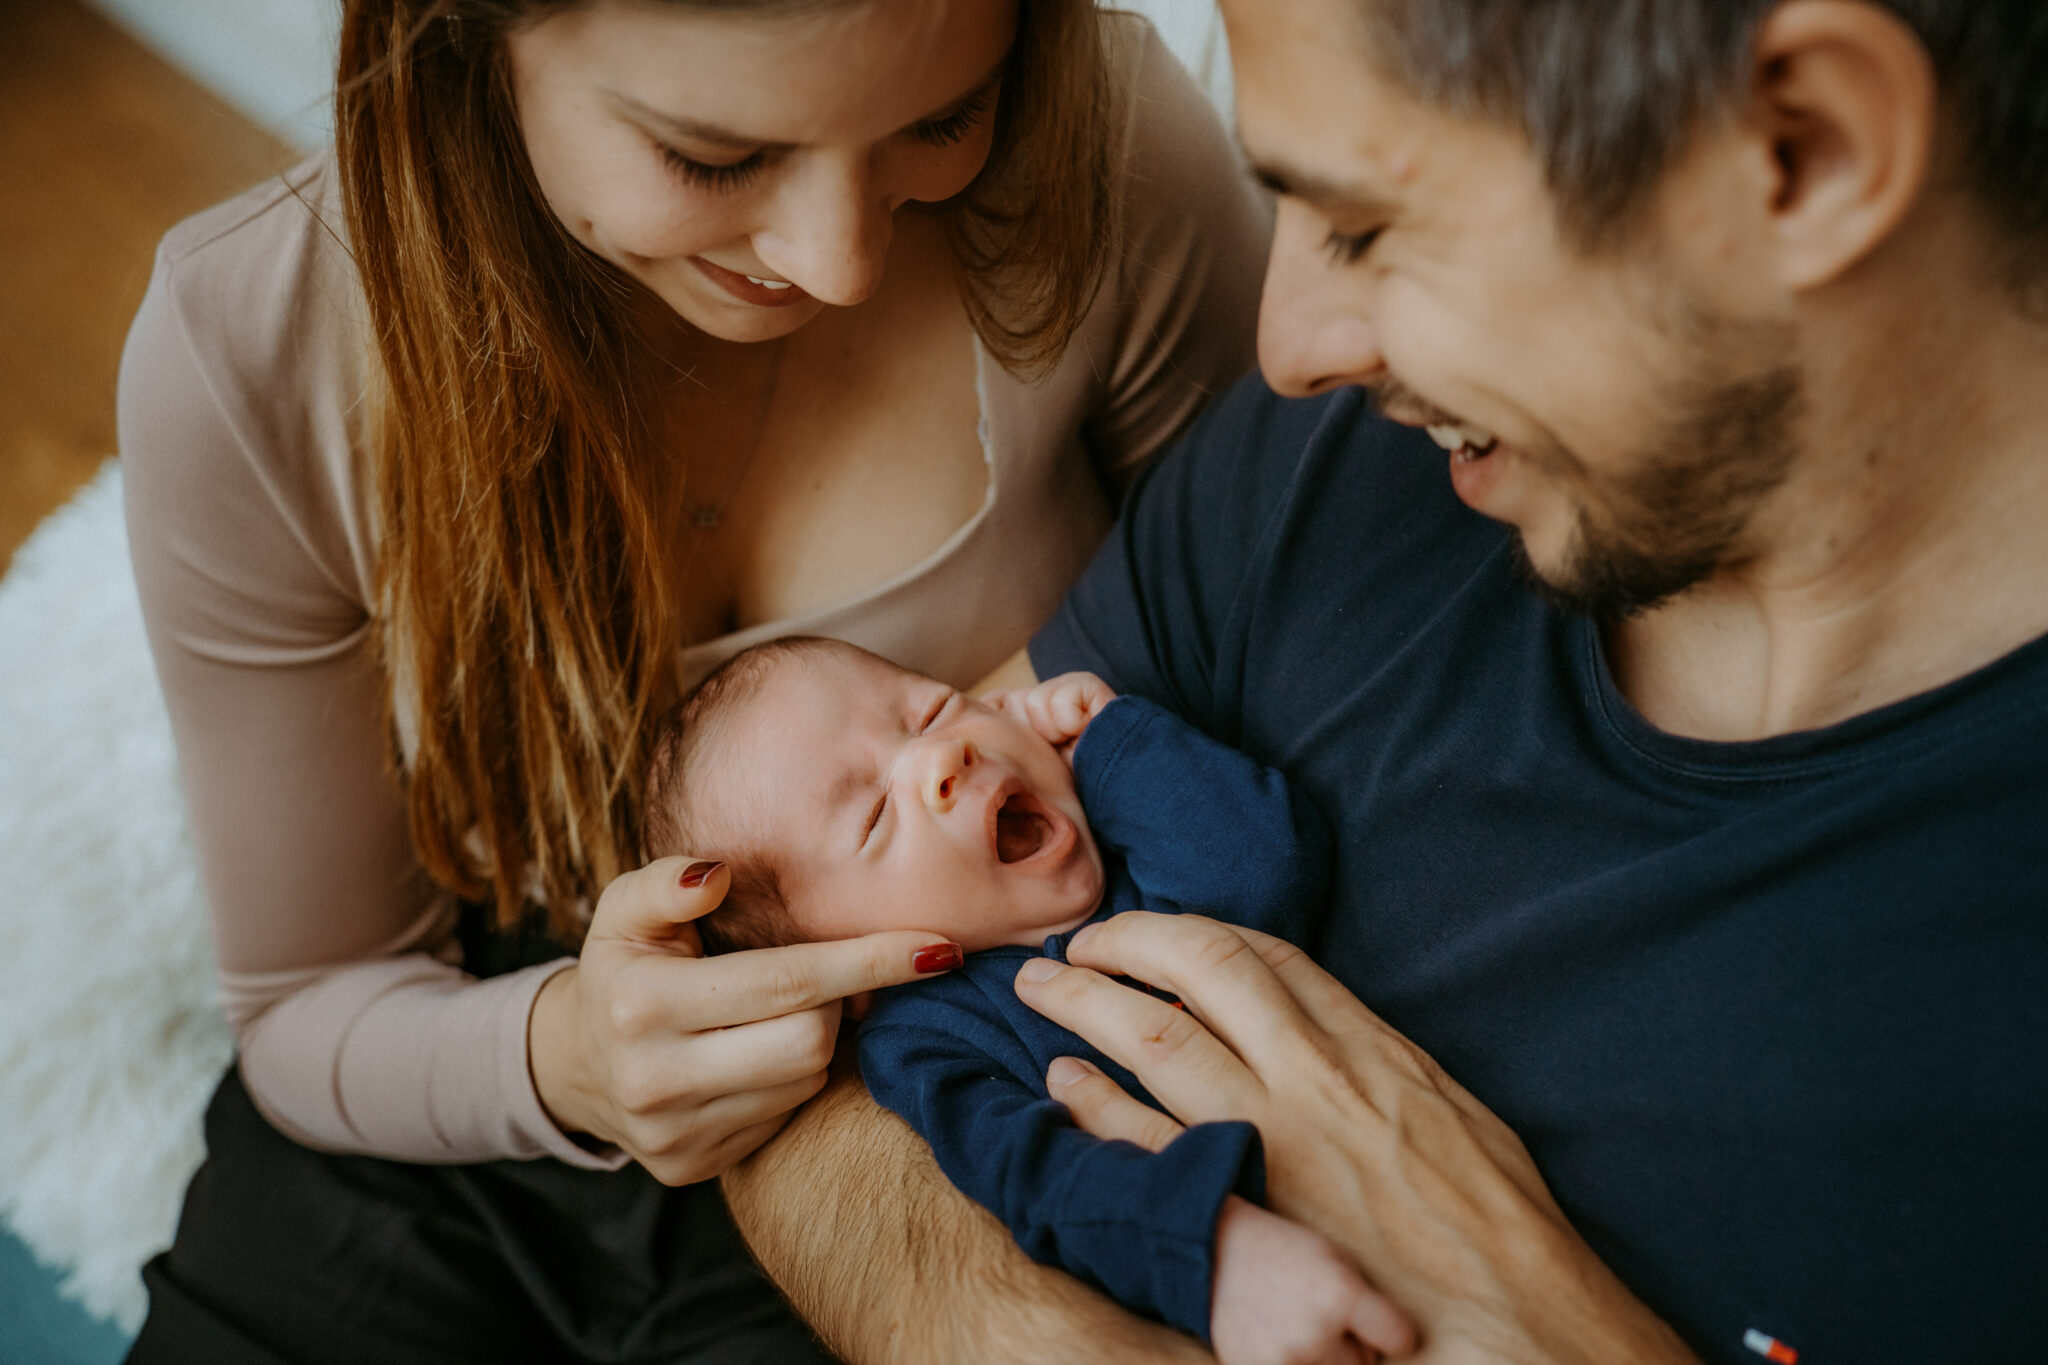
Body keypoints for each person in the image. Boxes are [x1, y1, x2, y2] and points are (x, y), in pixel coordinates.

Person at [715, 1, 2048, 1362]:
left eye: (1363, 225)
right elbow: (805, 1039)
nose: (1289, 344)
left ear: (1804, 150)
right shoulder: (1321, 478)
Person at [115, 0, 1268, 1357]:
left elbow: (1287, 632)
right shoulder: (251, 348)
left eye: (938, 121)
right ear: (460, 38)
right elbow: (315, 1000)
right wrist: (576, 1060)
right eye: (715, 158)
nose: (839, 263)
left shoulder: (1101, 145)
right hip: (456, 1098)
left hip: (937, 1113)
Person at [636, 636, 1415, 1364]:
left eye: (931, 708)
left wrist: (1106, 737)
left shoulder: (1131, 829)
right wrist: (1214, 1252)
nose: (944, 753)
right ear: (842, 971)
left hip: (1398, 1173)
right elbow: (1036, 1174)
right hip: (1232, 1282)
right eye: (872, 816)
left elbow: (1262, 866)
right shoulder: (930, 1038)